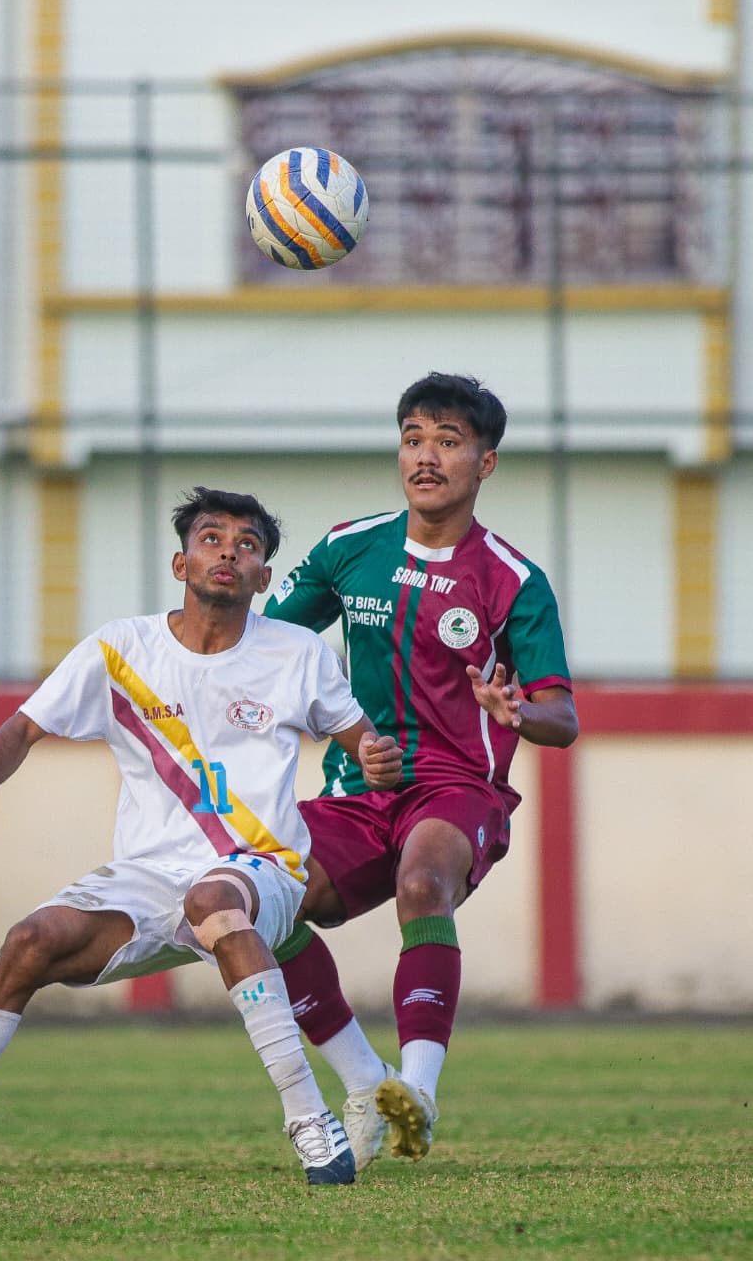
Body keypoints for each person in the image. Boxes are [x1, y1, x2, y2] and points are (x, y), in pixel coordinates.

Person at [0, 486, 403, 1188]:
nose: (228, 552)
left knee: (215, 901)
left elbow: (363, 741)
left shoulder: (297, 652)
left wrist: (377, 758)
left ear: (263, 577)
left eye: (247, 544)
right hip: (149, 874)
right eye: (211, 538)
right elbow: (23, 727)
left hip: (261, 867)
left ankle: (309, 1122)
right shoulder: (121, 649)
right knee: (29, 942)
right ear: (180, 564)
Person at [263, 372, 578, 1172]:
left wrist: (516, 712)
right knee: (262, 903)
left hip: (457, 785)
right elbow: (265, 647)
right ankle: (366, 1081)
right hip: (357, 787)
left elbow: (562, 718)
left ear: (485, 462)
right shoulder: (348, 549)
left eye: (446, 441)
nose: (425, 457)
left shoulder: (512, 580)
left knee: (422, 883)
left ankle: (420, 1089)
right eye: (412, 439)